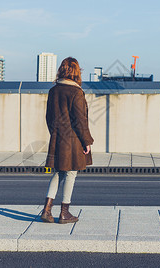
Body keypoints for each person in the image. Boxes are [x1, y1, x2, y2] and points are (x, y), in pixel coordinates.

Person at [40, 57, 94, 224]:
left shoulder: (53, 91)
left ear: (61, 70)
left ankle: (47, 210)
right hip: (72, 141)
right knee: (71, 173)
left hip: (57, 138)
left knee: (58, 172)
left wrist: (55, 133)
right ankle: (65, 212)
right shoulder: (76, 92)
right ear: (77, 72)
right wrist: (87, 141)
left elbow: (48, 118)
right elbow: (80, 120)